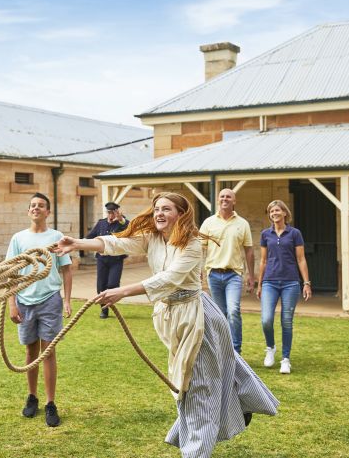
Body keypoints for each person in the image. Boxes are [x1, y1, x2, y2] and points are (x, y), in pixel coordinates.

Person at [55, 192, 278, 458]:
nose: (159, 213)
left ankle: (196, 450)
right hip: (170, 317)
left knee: (198, 386)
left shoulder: (192, 243)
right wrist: (75, 243)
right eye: (157, 208)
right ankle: (237, 402)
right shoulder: (151, 237)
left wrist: (122, 291)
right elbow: (116, 244)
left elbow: (169, 279)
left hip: (197, 318)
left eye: (167, 209)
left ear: (181, 214)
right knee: (197, 378)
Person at [6, 192, 72, 427]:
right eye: (33, 205)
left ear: (48, 212)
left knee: (49, 352)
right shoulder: (18, 239)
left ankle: (51, 403)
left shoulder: (57, 237)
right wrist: (12, 302)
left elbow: (66, 269)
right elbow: (11, 272)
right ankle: (32, 396)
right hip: (24, 300)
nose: (36, 208)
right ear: (28, 211)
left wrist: (66, 300)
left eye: (41, 205)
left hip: (50, 300)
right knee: (30, 351)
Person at [256, 199, 312, 375]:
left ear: (285, 213)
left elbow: (301, 259)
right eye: (271, 211)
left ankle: (285, 359)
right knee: (266, 320)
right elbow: (263, 261)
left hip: (290, 282)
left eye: (277, 210)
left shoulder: (295, 233)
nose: (274, 213)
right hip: (270, 282)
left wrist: (306, 283)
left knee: (286, 321)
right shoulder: (266, 234)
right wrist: (259, 284)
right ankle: (270, 347)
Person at [199, 188, 255, 354]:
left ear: (234, 201)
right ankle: (223, 350)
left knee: (233, 311)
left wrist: (252, 276)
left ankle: (236, 351)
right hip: (213, 274)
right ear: (218, 200)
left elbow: (249, 251)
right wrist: (198, 269)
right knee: (219, 314)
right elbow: (200, 248)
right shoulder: (208, 222)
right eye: (222, 196)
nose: (225, 199)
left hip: (234, 275)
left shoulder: (242, 223)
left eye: (228, 197)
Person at [86, 201, 129, 318]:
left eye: (113, 213)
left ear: (117, 212)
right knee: (101, 286)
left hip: (116, 260)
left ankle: (110, 302)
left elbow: (129, 229)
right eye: (109, 212)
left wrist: (121, 220)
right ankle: (104, 310)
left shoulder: (122, 223)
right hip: (102, 259)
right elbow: (90, 236)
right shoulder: (101, 223)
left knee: (112, 284)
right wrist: (76, 242)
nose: (110, 215)